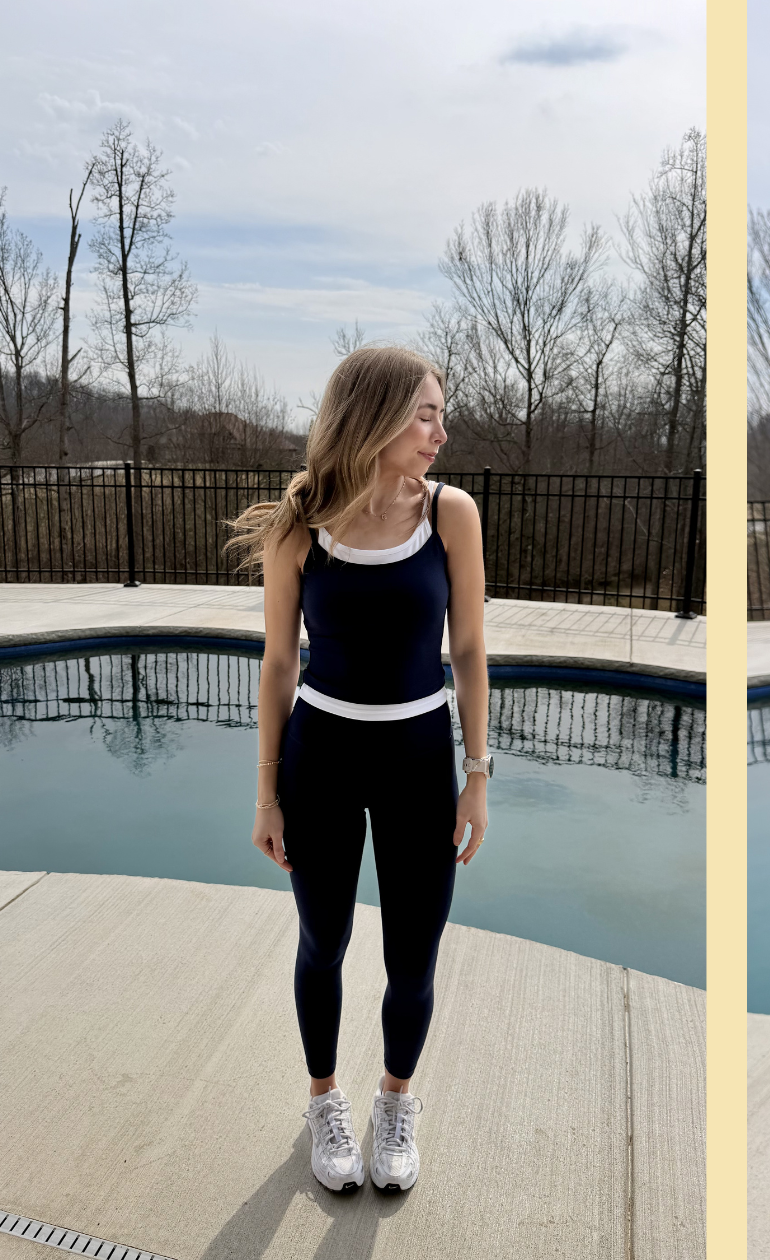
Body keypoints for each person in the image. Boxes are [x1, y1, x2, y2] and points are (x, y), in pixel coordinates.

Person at [226, 346, 494, 1195]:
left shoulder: (452, 515)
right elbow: (276, 665)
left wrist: (478, 773)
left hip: (420, 757)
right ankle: (323, 1101)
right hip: (322, 757)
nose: (440, 433)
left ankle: (396, 1102)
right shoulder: (300, 523)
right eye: (425, 414)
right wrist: (266, 793)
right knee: (324, 942)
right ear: (374, 414)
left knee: (414, 953)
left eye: (440, 414)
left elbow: (472, 649)